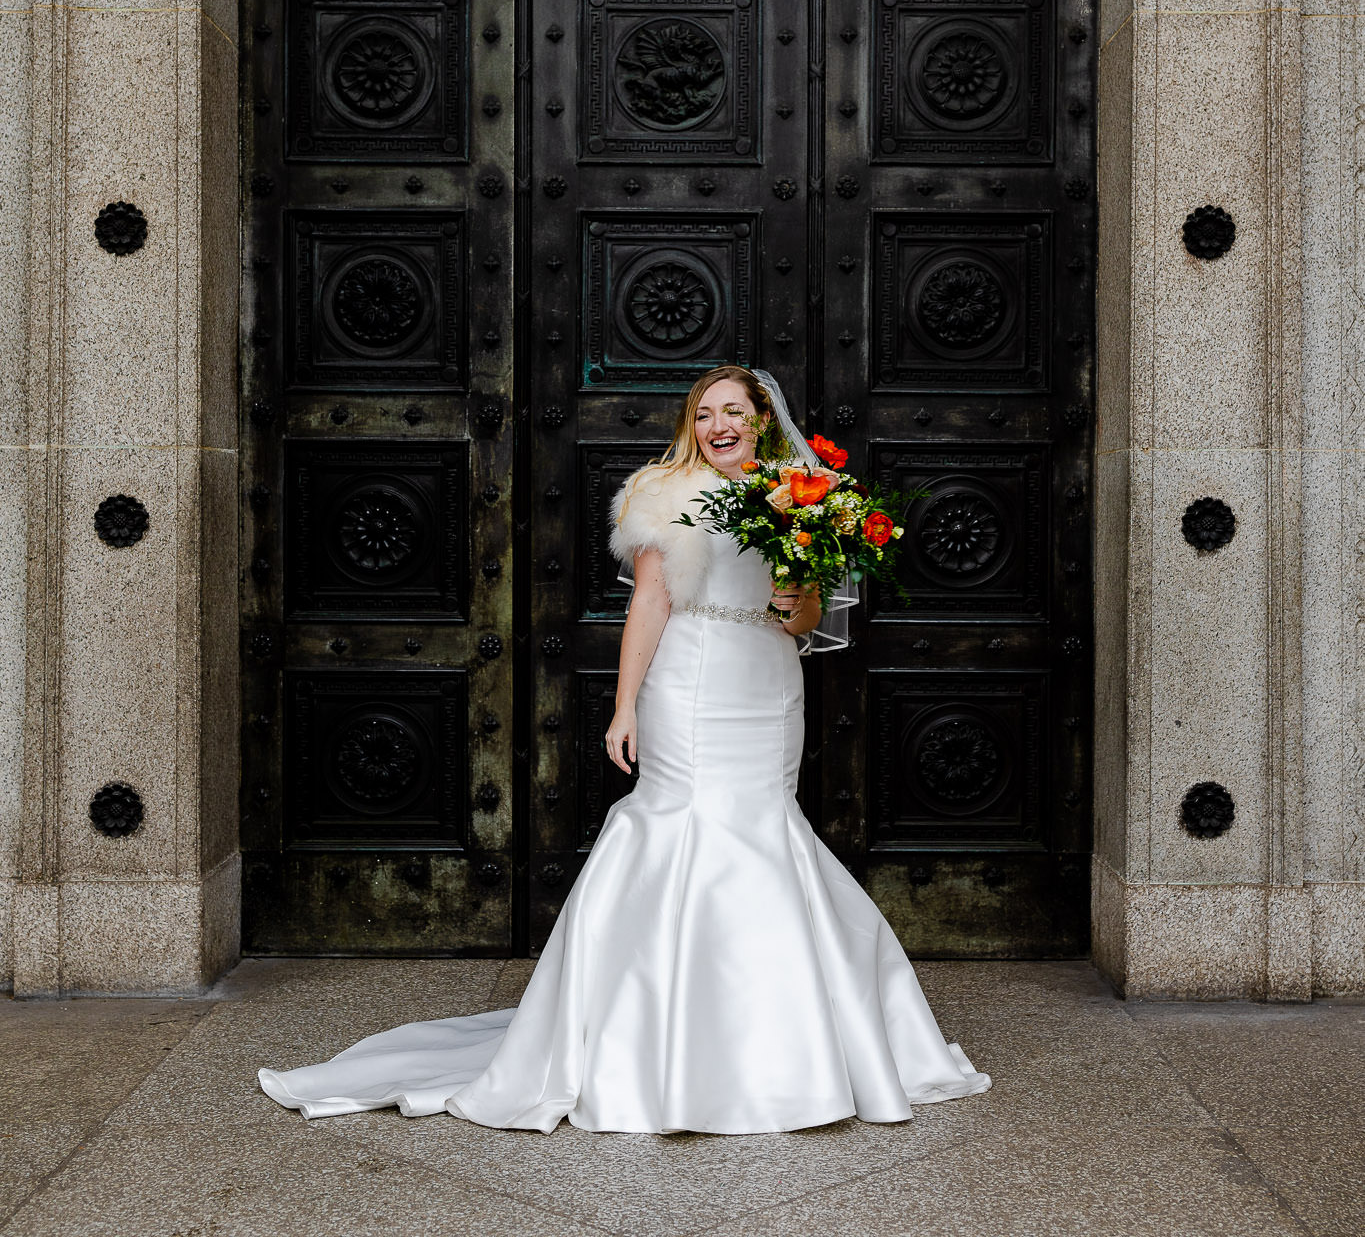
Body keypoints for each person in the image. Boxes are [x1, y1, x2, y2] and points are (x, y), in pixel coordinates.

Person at [258, 364, 990, 1132]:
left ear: (762, 420)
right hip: (690, 676)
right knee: (684, 822)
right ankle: (652, 1037)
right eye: (704, 413)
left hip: (768, 682)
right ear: (691, 424)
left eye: (733, 411)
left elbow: (805, 623)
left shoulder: (802, 493)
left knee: (765, 825)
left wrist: (794, 594)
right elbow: (650, 599)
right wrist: (624, 706)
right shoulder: (660, 490)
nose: (718, 425)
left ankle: (765, 1039)